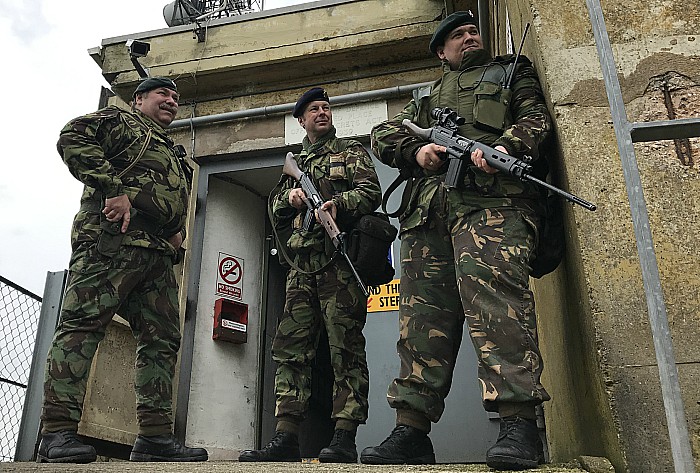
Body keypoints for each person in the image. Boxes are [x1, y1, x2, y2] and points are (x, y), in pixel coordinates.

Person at [359, 11, 552, 470]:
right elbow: (384, 135)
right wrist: (418, 151)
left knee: (498, 306)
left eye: (472, 31)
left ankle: (518, 421)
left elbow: (536, 119)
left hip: (492, 206)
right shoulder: (426, 99)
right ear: (441, 52)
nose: (468, 37)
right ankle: (411, 428)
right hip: (428, 217)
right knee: (421, 320)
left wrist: (506, 148)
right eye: (456, 36)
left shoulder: (510, 71)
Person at [38, 77, 208, 463]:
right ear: (139, 99)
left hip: (156, 256)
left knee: (163, 341)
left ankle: (154, 438)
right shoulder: (120, 122)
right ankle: (57, 433)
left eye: (175, 97)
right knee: (82, 328)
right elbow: (72, 137)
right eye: (162, 94)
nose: (171, 100)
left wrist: (177, 232)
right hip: (110, 246)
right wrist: (111, 188)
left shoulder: (172, 148)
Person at [238, 87, 382, 463]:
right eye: (314, 110)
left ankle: (344, 435)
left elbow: (371, 191)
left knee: (345, 347)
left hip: (338, 264)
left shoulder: (350, 152)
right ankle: (286, 435)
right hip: (302, 268)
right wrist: (291, 199)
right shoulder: (295, 166)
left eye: (326, 107)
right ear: (301, 120)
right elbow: (273, 209)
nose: (322, 112)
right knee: (291, 349)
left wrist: (338, 203)